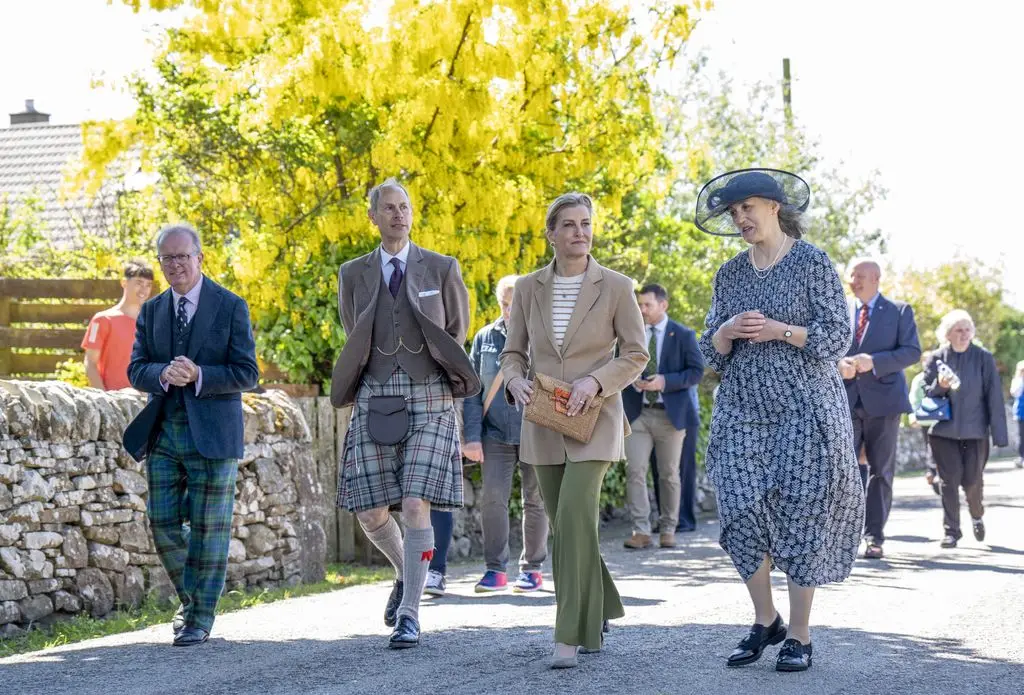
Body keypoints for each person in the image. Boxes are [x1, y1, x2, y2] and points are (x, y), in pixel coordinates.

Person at [695, 169, 864, 673]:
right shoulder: (729, 273)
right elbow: (712, 352)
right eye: (733, 211)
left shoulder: (812, 262)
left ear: (773, 206)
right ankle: (765, 619)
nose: (740, 217)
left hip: (806, 409)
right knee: (740, 510)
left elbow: (837, 338)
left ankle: (799, 634)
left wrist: (779, 330)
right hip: (743, 408)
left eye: (748, 207)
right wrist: (725, 331)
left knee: (801, 516)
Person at [330, 178, 480, 649]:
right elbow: (352, 327)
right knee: (371, 510)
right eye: (389, 208)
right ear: (373, 216)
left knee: (416, 503)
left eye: (405, 207)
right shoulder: (352, 273)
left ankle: (411, 614)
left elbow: (456, 328)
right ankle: (403, 571)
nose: (399, 215)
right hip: (375, 390)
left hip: (430, 392)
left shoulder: (440, 267)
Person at [502, 192, 648, 668]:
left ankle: (571, 634)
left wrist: (596, 381)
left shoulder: (618, 286)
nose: (580, 232)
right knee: (570, 522)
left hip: (597, 418)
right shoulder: (526, 288)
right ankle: (600, 604)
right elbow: (512, 352)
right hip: (543, 419)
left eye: (586, 223)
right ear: (551, 233)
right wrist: (515, 380)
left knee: (569, 523)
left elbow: (635, 355)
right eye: (568, 224)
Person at [122, 224, 259, 647]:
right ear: (160, 262)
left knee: (209, 528)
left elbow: (247, 373)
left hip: (214, 431)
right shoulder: (152, 310)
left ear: (200, 258)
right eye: (168, 258)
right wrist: (161, 373)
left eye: (183, 256)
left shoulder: (231, 306)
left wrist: (200, 374)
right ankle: (195, 598)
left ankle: (199, 618)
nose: (176, 265)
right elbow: (135, 368)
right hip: (164, 428)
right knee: (161, 521)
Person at [461, 274, 549, 593]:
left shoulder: (544, 336)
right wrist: (471, 437)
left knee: (535, 500)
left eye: (517, 304)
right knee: (493, 499)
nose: (511, 311)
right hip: (495, 433)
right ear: (499, 304)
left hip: (536, 431)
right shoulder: (484, 338)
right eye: (505, 304)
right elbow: (473, 393)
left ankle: (532, 568)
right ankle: (495, 569)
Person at [837, 258, 921, 560]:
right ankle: (845, 535)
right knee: (844, 471)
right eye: (851, 275)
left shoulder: (899, 311)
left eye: (859, 275)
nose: (853, 280)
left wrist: (876, 362)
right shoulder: (839, 309)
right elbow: (824, 349)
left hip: (884, 403)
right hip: (845, 400)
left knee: (880, 473)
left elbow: (912, 351)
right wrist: (838, 364)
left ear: (875, 278)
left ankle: (874, 536)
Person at [621, 283, 704, 549]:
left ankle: (669, 528)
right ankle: (641, 531)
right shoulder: (630, 333)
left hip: (671, 416)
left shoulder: (683, 334)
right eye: (640, 305)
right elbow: (618, 364)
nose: (642, 309)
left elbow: (696, 372)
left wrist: (665, 382)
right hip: (638, 414)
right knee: (634, 470)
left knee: (669, 474)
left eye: (648, 304)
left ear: (663, 305)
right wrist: (631, 379)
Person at [922, 310, 1008, 548]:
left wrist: (1000, 435)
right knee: (948, 483)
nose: (964, 334)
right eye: (958, 330)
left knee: (972, 482)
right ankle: (952, 531)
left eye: (967, 329)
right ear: (948, 334)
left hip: (976, 432)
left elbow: (994, 397)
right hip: (943, 433)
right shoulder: (936, 358)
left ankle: (977, 514)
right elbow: (926, 394)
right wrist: (939, 386)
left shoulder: (983, 357)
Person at [82, 260, 154, 390]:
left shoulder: (152, 323)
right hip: (113, 400)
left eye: (148, 285)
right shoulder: (101, 320)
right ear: (124, 283)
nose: (144, 289)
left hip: (144, 400)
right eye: (139, 283)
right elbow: (90, 363)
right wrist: (105, 399)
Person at [908, 350, 941, 495]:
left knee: (930, 445)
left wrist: (913, 416)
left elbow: (913, 400)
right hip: (933, 419)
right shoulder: (923, 379)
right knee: (934, 446)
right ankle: (935, 471)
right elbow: (914, 400)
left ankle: (932, 471)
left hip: (930, 419)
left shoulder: (922, 378)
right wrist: (913, 416)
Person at [1011, 361, 1024, 469]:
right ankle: (1021, 457)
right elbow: (1015, 392)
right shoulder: (1017, 381)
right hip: (1021, 413)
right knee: (1021, 436)